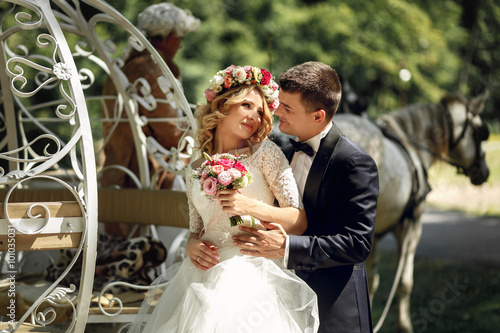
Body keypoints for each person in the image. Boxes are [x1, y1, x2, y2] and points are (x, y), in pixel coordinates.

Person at [128, 65, 319, 333]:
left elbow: (298, 220)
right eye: (246, 105)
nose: (254, 115)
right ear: (223, 104)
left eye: (261, 111)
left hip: (249, 274)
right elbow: (196, 230)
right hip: (200, 276)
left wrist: (251, 207)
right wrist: (191, 246)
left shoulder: (265, 153)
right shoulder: (194, 167)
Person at [230, 62, 379, 333]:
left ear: (318, 116)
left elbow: (358, 244)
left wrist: (288, 248)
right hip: (278, 303)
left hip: (332, 307)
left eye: (288, 108)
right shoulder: (283, 154)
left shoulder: (353, 162)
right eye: (279, 103)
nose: (276, 111)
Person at [101, 3, 200, 236]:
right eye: (180, 37)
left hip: (117, 166)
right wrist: (204, 132)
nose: (181, 44)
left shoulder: (127, 65)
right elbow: (170, 132)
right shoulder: (152, 68)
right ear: (168, 37)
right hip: (146, 171)